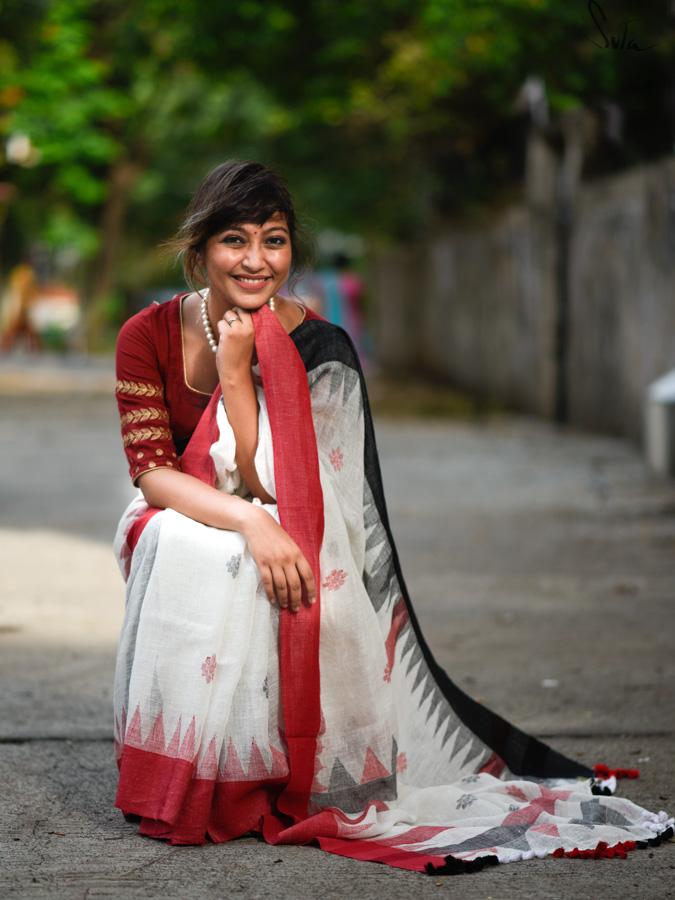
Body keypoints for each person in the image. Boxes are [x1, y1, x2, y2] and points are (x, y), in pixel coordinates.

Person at [112, 160, 673, 874]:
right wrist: (250, 523)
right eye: (234, 240)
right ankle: (191, 776)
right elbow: (153, 471)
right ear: (199, 254)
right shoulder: (149, 333)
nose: (256, 261)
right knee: (191, 545)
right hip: (191, 504)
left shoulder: (320, 348)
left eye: (274, 240)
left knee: (268, 561)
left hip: (297, 513)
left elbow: (280, 485)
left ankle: (257, 776)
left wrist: (237, 377)